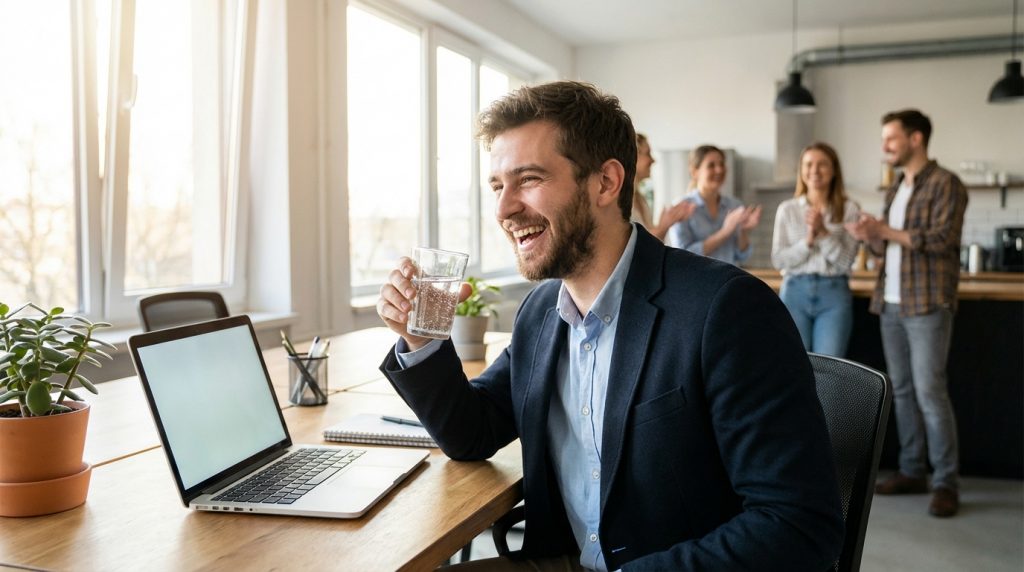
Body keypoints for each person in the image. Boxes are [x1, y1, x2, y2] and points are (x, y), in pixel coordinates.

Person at [376, 81, 842, 570]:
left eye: (528, 179)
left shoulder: (726, 309)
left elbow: (800, 526)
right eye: (497, 186)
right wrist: (421, 341)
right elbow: (471, 433)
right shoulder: (540, 313)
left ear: (605, 182)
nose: (503, 209)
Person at [846, 109, 968, 518]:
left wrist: (884, 232)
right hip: (892, 301)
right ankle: (913, 469)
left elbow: (940, 239)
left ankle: (945, 482)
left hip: (928, 302)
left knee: (930, 392)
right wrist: (871, 236)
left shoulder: (946, 183)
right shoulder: (898, 186)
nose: (885, 147)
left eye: (891, 139)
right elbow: (888, 247)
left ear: (916, 139)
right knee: (901, 390)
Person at [771, 142, 861, 357]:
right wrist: (808, 241)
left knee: (831, 368)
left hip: (834, 293)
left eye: (822, 164)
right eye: (808, 164)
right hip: (794, 292)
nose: (814, 170)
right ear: (801, 171)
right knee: (793, 365)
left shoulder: (849, 209)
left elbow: (845, 262)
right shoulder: (787, 210)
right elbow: (779, 260)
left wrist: (823, 232)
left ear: (834, 170)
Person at [668, 145, 761, 265]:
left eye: (722, 164)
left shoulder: (734, 205)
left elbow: (742, 256)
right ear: (694, 172)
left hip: (729, 281)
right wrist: (725, 232)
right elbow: (681, 257)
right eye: (711, 165)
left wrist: (743, 232)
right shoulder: (681, 207)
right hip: (697, 283)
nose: (719, 170)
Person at [630, 133, 694, 241]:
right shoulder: (621, 201)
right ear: (634, 157)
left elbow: (651, 245)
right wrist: (664, 225)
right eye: (648, 153)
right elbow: (638, 246)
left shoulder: (640, 198)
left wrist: (666, 223)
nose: (653, 160)